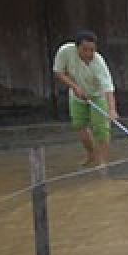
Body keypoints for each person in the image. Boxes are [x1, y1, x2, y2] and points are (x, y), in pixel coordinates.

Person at [53, 30, 118, 167]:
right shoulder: (65, 51)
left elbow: (108, 88)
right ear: (76, 48)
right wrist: (74, 87)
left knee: (101, 129)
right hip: (77, 95)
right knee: (79, 125)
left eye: (92, 50)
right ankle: (91, 154)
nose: (88, 54)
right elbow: (58, 72)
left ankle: (102, 163)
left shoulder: (98, 62)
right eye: (85, 50)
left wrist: (112, 110)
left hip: (98, 95)